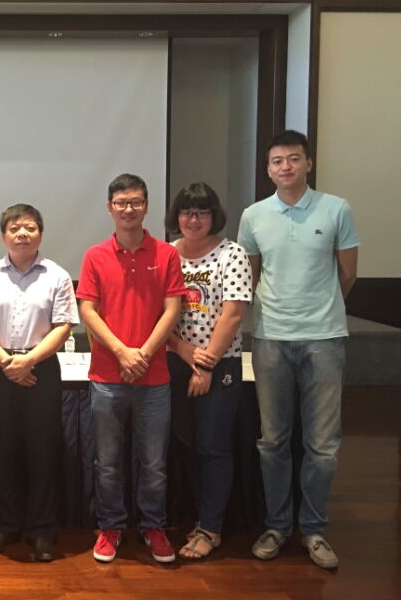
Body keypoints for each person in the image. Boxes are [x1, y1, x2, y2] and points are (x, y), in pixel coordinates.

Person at [238, 130, 358, 570]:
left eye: (293, 158)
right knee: (273, 440)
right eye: (277, 161)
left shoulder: (336, 209)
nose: (285, 166)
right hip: (271, 337)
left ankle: (313, 528)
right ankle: (276, 525)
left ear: (308, 163)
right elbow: (251, 276)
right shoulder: (253, 216)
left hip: (324, 338)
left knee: (323, 444)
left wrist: (320, 311)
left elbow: (347, 274)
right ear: (268, 169)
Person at [77, 173, 186, 565]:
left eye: (136, 202)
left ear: (146, 206)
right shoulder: (95, 255)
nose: (128, 209)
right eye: (121, 202)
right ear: (110, 208)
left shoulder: (166, 254)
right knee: (107, 462)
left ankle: (153, 526)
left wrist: (143, 354)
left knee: (154, 462)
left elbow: (173, 309)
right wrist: (123, 352)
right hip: (107, 376)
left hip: (154, 377)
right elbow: (88, 310)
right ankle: (111, 526)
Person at [0, 204, 78, 562]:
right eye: (15, 228)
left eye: (30, 227)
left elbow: (63, 326)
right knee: (3, 449)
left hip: (41, 368)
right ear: (4, 235)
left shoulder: (57, 275)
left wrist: (29, 361)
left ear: (40, 234)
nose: (22, 234)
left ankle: (42, 530)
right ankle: (4, 526)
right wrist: (6, 362)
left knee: (42, 451)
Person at [164, 182, 252, 560]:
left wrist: (205, 364)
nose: (194, 219)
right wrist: (184, 353)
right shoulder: (168, 254)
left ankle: (211, 528)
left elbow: (233, 315)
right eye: (187, 212)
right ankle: (200, 517)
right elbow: (160, 312)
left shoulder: (232, 254)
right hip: (177, 360)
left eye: (202, 212)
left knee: (213, 445)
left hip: (220, 364)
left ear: (214, 215)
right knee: (187, 444)